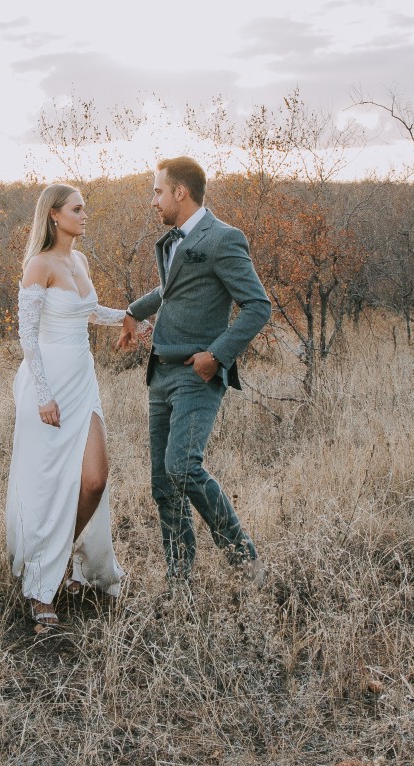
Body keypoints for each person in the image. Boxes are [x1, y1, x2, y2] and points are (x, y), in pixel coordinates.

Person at [118, 157, 271, 586]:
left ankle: (247, 564)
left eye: (157, 191)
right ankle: (179, 582)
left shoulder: (223, 238)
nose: (154, 201)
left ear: (180, 192)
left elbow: (258, 306)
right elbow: (169, 289)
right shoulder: (175, 240)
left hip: (196, 375)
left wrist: (217, 355)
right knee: (164, 485)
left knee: (183, 467)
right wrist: (134, 312)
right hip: (160, 373)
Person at [6, 183, 126, 633]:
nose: (85, 214)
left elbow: (88, 313)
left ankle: (59, 563)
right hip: (48, 385)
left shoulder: (79, 261)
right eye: (77, 209)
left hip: (83, 382)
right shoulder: (39, 265)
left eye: (85, 208)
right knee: (47, 487)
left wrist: (132, 318)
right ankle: (42, 588)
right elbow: (28, 336)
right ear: (54, 215)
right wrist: (42, 395)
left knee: (95, 477)